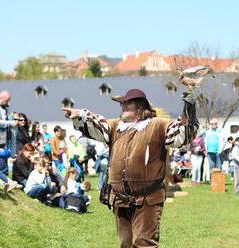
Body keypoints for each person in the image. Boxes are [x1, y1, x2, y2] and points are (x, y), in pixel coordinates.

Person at [62, 86, 198, 247]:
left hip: (148, 199)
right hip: (120, 199)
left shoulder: (158, 125)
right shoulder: (116, 126)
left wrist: (190, 108)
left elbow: (183, 134)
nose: (123, 106)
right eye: (122, 103)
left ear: (141, 106)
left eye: (128, 103)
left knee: (143, 243)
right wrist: (79, 116)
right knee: (125, 244)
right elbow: (97, 125)